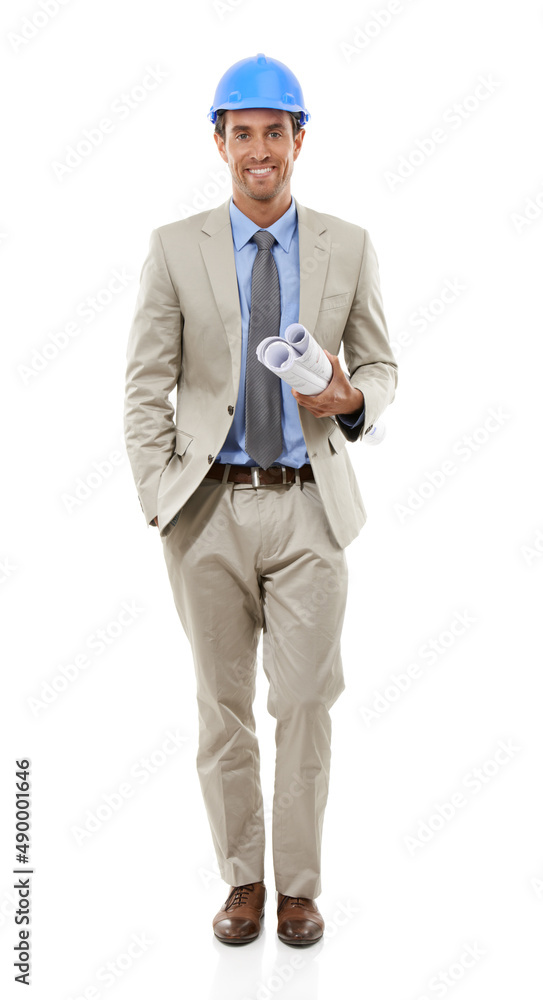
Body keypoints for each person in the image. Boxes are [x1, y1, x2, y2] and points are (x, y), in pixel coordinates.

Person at [124, 53, 398, 946]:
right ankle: (243, 881)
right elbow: (145, 385)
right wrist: (158, 495)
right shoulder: (174, 247)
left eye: (273, 133)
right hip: (204, 508)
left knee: (308, 700)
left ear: (298, 140)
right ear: (218, 142)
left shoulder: (346, 245)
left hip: (309, 505)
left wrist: (349, 400)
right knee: (222, 707)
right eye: (240, 134)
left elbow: (382, 366)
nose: (258, 151)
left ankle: (299, 890)